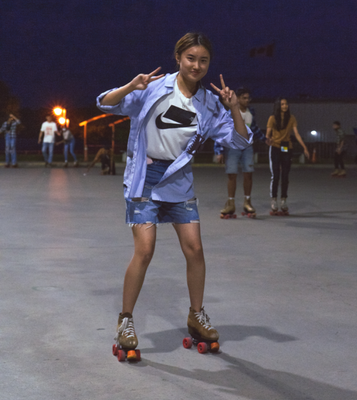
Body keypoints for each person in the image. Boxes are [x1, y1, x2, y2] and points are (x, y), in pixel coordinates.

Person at [96, 32, 253, 357]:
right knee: (146, 250)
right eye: (191, 58)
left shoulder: (210, 104)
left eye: (203, 60)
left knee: (195, 249)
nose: (197, 65)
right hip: (145, 178)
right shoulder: (153, 87)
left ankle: (196, 315)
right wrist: (130, 87)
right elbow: (104, 103)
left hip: (178, 179)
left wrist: (234, 108)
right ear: (178, 58)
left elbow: (239, 142)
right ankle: (125, 320)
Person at [214, 87, 266, 218]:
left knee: (248, 173)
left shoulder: (250, 111)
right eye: (244, 98)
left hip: (247, 146)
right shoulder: (230, 111)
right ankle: (230, 203)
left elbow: (253, 128)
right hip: (233, 147)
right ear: (238, 98)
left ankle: (247, 202)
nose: (247, 100)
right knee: (232, 174)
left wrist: (265, 139)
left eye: (248, 98)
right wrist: (219, 150)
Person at [266, 98, 309, 215]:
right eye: (282, 104)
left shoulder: (291, 118)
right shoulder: (272, 118)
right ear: (278, 106)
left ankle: (283, 200)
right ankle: (274, 200)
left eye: (286, 104)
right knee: (275, 174)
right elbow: (267, 134)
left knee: (285, 175)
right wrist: (268, 139)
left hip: (286, 147)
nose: (285, 106)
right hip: (275, 147)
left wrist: (304, 147)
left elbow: (296, 134)